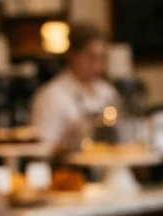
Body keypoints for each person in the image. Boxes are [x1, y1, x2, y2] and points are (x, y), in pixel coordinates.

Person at [31, 23, 120, 153]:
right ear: (72, 55)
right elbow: (39, 148)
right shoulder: (51, 96)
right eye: (90, 58)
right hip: (67, 166)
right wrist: (66, 146)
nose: (97, 66)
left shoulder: (107, 92)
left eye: (102, 58)